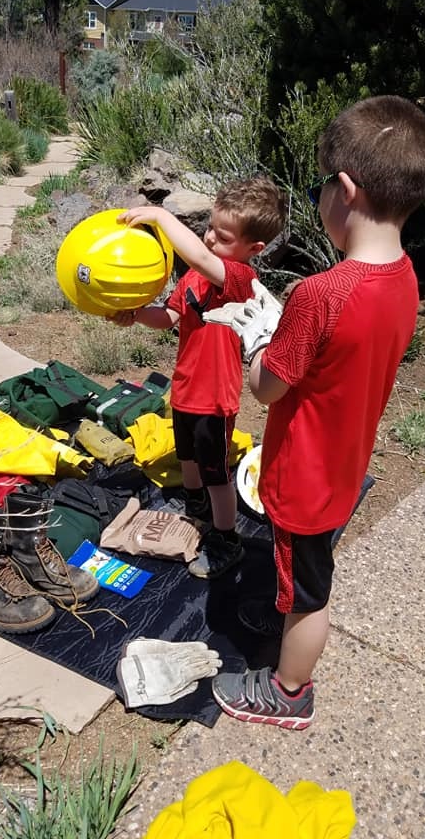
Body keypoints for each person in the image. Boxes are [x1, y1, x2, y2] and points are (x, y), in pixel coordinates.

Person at [211, 95, 425, 728]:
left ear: (343, 189)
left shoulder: (319, 294)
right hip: (342, 464)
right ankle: (288, 624)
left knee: (309, 594)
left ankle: (288, 691)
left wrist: (257, 336)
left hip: (305, 475)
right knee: (304, 577)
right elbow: (340, 357)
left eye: (319, 186)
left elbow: (268, 389)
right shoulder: (404, 276)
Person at [110, 177, 286, 578]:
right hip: (185, 391)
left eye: (221, 236)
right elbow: (169, 317)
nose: (208, 240)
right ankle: (194, 506)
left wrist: (158, 215)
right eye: (208, 228)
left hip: (215, 399)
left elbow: (203, 260)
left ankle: (226, 538)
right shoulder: (193, 279)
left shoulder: (240, 279)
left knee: (216, 473)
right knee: (187, 456)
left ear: (252, 249)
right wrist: (136, 314)